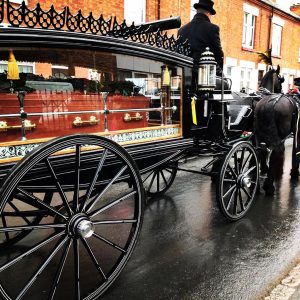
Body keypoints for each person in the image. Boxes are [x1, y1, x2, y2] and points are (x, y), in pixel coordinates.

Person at [178, 0, 224, 77]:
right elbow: (218, 54)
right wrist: (219, 74)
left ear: (197, 11)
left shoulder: (182, 30)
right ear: (208, 13)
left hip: (185, 75)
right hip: (203, 75)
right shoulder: (212, 28)